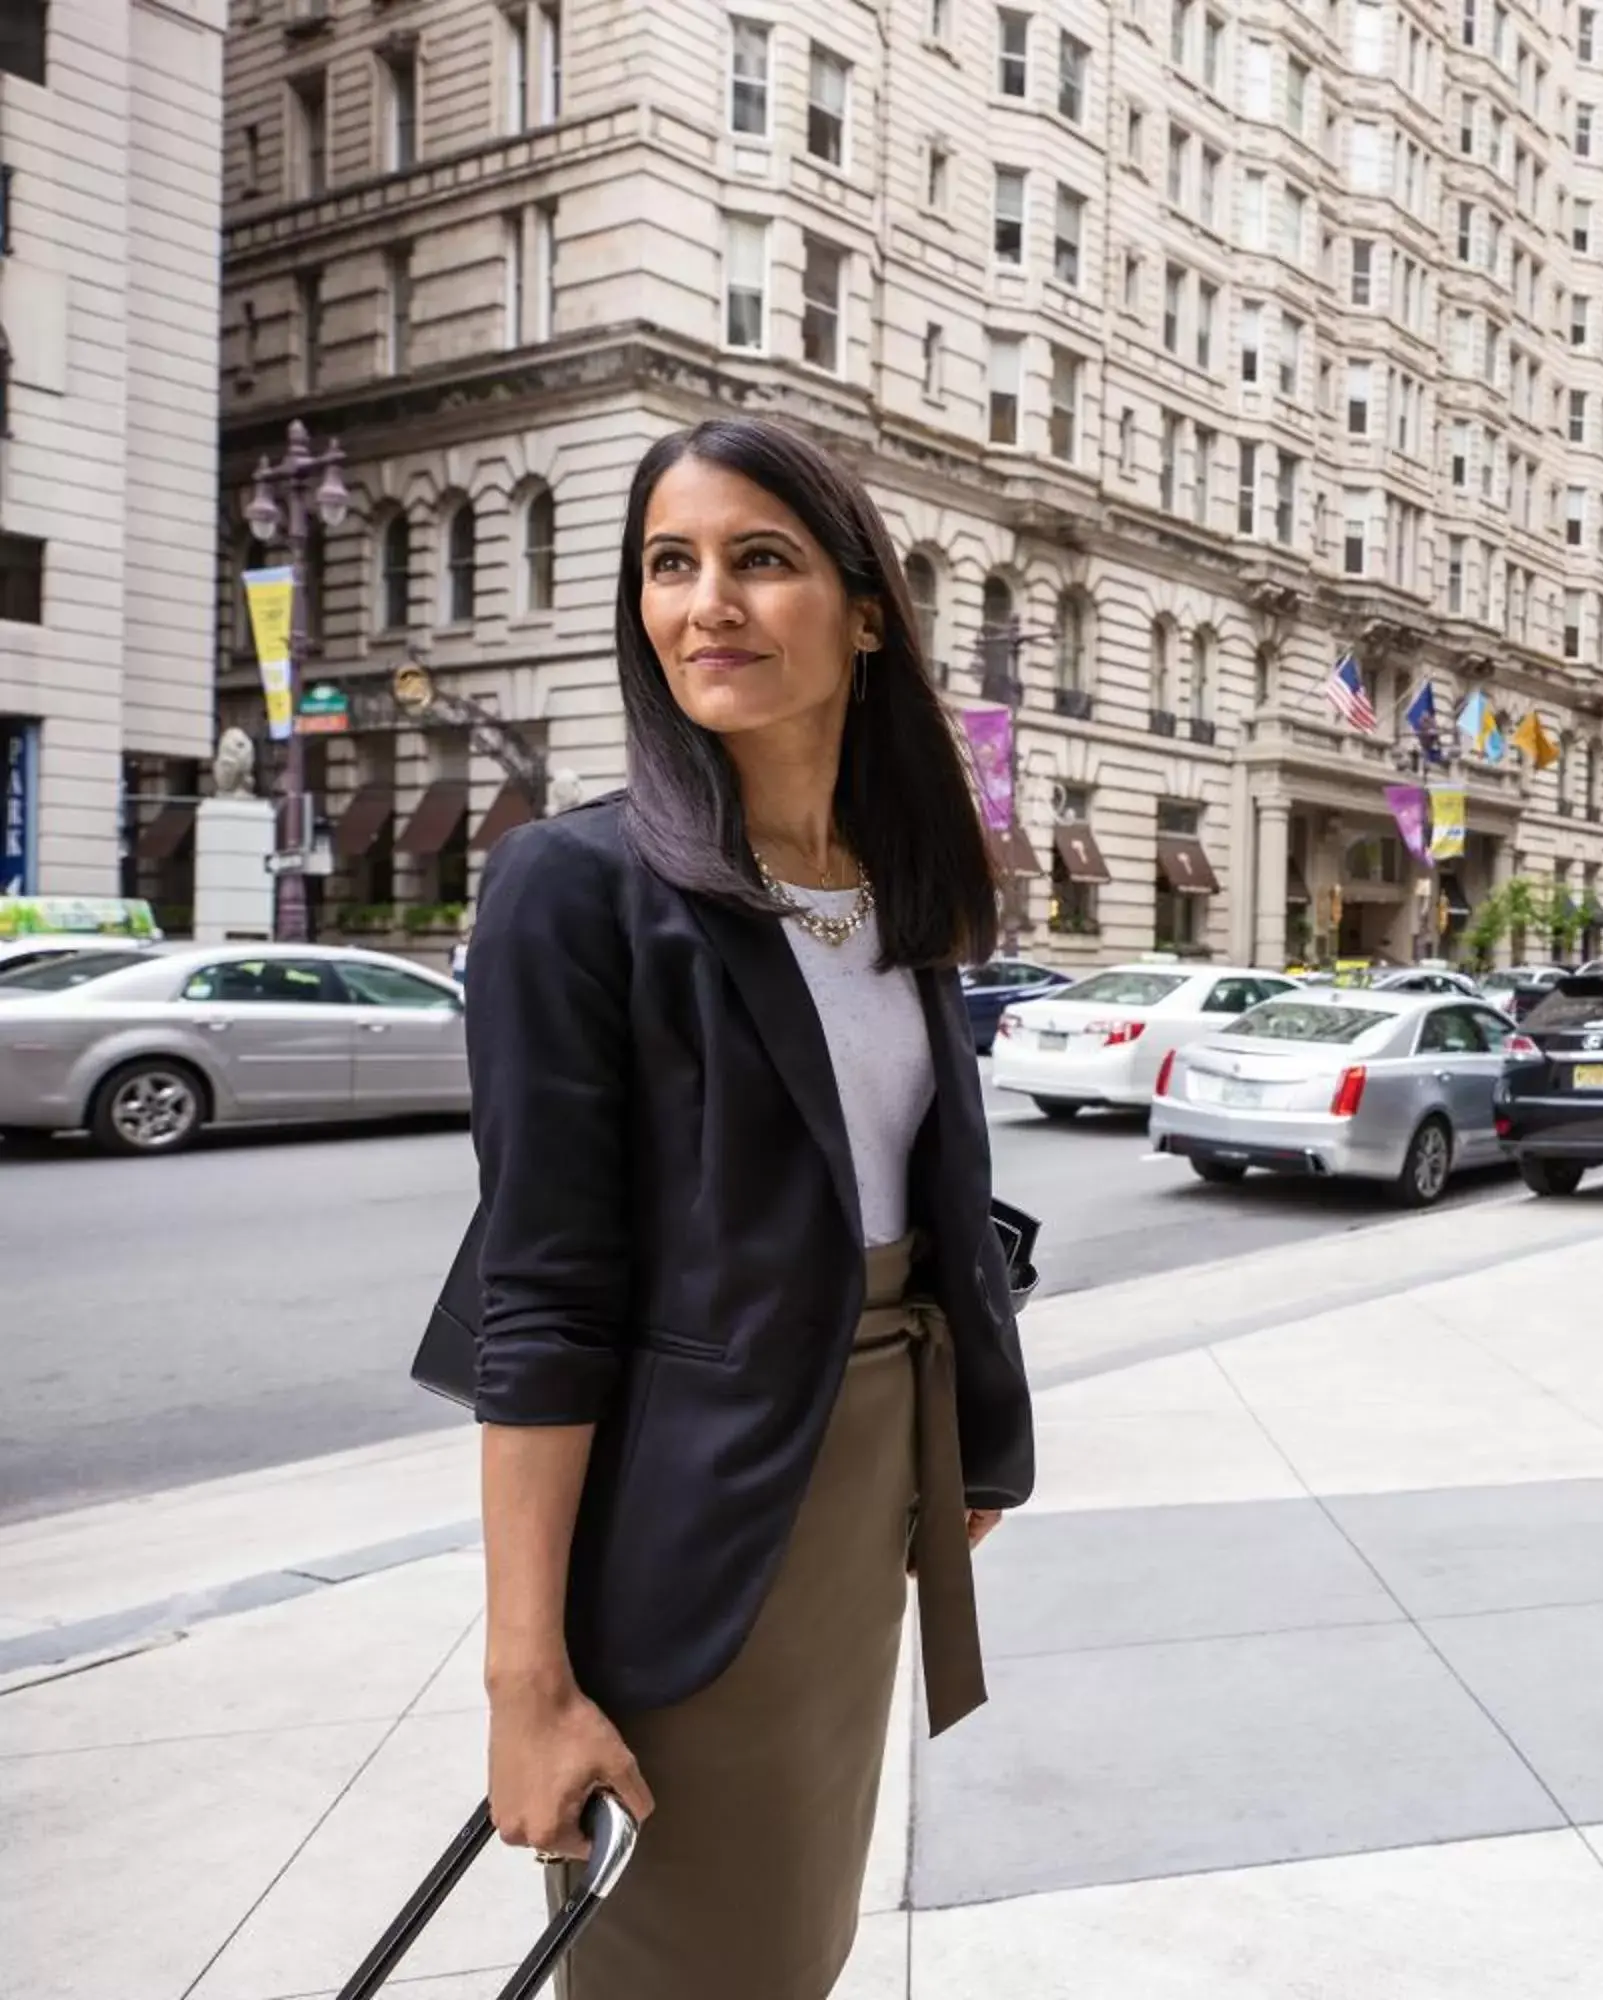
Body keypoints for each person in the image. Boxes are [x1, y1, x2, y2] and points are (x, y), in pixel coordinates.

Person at [468, 417, 1036, 2000]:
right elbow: (543, 1302)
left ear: (864, 611)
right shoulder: (571, 887)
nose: (705, 601)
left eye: (759, 559)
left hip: (866, 1498)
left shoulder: (898, 888)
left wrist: (961, 1434)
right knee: (693, 1962)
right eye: (670, 564)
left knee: (803, 1943)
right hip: (692, 1519)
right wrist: (526, 1681)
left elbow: (916, 1188)